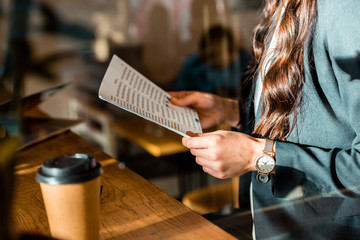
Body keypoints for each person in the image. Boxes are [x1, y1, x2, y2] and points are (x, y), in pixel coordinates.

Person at [169, 0, 360, 239]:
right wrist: (232, 112)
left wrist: (258, 155)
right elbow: (316, 118)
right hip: (275, 221)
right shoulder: (286, 6)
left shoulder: (346, 10)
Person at [175, 25, 250, 98]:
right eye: (205, 57)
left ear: (231, 53)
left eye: (213, 55)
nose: (208, 62)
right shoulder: (193, 65)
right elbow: (181, 94)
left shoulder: (245, 62)